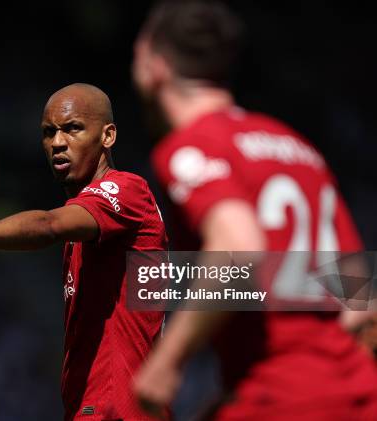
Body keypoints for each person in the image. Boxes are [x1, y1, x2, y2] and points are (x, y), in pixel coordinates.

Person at [130, 1, 377, 420]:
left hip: (281, 397)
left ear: (155, 66)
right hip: (357, 395)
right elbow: (363, 303)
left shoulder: (190, 147)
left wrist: (165, 363)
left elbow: (240, 247)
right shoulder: (295, 147)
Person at [0, 83, 170, 421]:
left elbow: (48, 225)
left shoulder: (127, 190)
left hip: (117, 411)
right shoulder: (88, 227)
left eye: (73, 129)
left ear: (108, 136)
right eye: (49, 132)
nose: (58, 143)